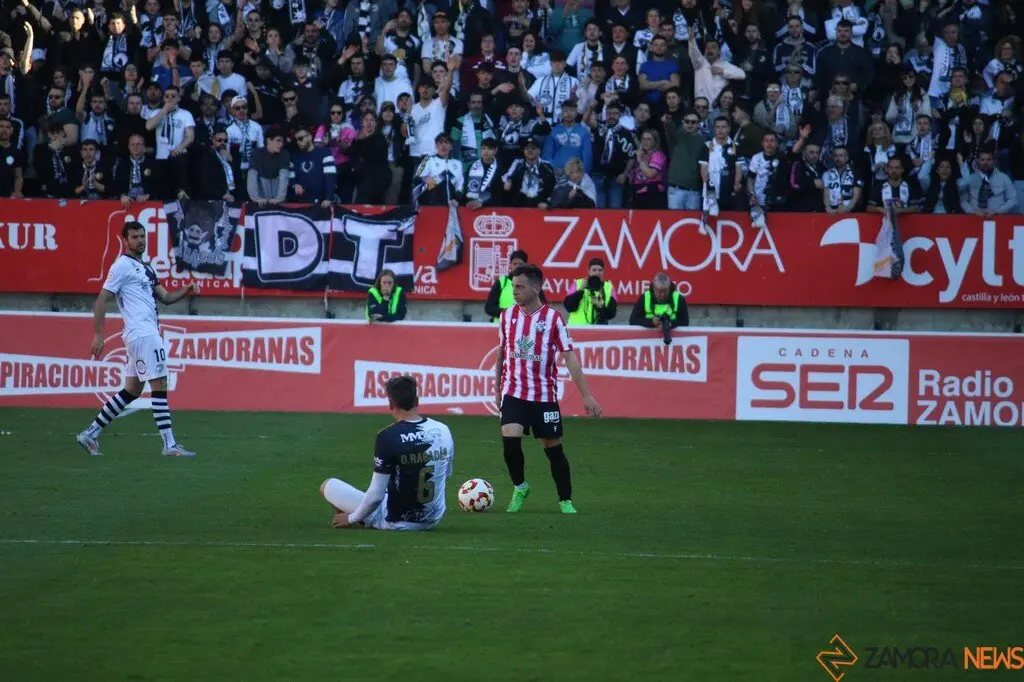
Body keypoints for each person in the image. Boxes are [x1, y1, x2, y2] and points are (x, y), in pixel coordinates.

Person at [76, 222, 199, 458]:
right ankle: (169, 445)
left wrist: (186, 289)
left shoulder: (146, 268)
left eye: (142, 236)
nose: (140, 240)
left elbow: (165, 297)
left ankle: (90, 433)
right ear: (125, 240)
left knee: (132, 390)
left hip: (141, 335)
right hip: (143, 334)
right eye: (135, 237)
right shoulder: (121, 266)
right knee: (160, 385)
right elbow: (102, 299)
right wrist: (99, 335)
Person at [497, 264, 601, 515]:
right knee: (509, 439)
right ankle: (520, 486)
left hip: (543, 396)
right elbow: (501, 354)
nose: (515, 291)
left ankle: (565, 499)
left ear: (536, 287)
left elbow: (570, 358)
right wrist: (496, 388)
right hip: (514, 391)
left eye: (520, 287)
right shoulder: (506, 315)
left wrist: (586, 395)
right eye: (513, 287)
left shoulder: (553, 319)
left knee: (553, 449)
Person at [321, 375, 454, 531]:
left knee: (327, 486)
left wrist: (352, 517)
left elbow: (376, 495)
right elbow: (445, 474)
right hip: (433, 519)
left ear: (391, 404)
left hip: (397, 522)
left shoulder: (388, 437)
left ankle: (361, 520)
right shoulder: (443, 430)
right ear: (416, 401)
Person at [483, 249, 547, 322]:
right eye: (515, 264)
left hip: (525, 329)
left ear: (525, 265)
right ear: (510, 265)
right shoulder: (501, 282)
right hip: (502, 328)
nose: (517, 267)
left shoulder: (532, 283)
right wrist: (510, 314)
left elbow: (542, 307)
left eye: (520, 264)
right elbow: (489, 308)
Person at [564, 257, 616, 326]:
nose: (597, 272)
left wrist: (600, 307)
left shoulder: (609, 287)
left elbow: (611, 314)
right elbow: (569, 307)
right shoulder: (578, 284)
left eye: (600, 270)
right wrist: (580, 290)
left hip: (598, 331)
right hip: (577, 329)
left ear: (603, 271)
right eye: (594, 270)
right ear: (588, 271)